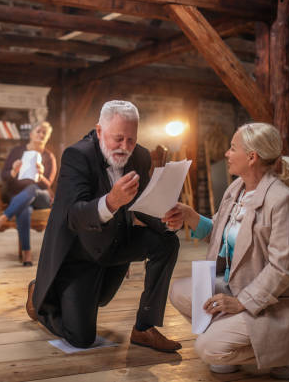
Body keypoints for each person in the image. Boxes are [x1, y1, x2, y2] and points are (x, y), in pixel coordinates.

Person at [164, 122, 289, 380]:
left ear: (251, 157)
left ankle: (287, 353)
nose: (226, 153)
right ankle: (233, 334)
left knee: (207, 348)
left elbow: (282, 269)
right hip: (240, 285)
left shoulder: (282, 200)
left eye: (232, 148)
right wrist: (190, 216)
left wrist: (240, 303)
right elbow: (221, 235)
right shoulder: (236, 189)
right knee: (180, 292)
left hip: (278, 303)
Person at [25, 100, 181, 352]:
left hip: (117, 243)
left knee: (167, 241)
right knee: (81, 338)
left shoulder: (140, 155)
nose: (125, 147)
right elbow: (73, 216)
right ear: (99, 131)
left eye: (131, 140)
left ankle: (144, 327)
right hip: (79, 254)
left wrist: (168, 221)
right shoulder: (77, 156)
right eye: (118, 139)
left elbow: (144, 203)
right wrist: (110, 202)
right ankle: (38, 294)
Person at [0, 121, 57, 266]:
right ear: (31, 134)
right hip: (18, 196)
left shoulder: (49, 157)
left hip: (41, 196)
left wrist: (40, 175)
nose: (41, 134)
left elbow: (48, 184)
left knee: (32, 189)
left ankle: (4, 217)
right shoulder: (17, 151)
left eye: (44, 133)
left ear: (48, 137)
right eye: (38, 131)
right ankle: (27, 253)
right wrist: (13, 171)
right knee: (24, 210)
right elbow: (4, 175)